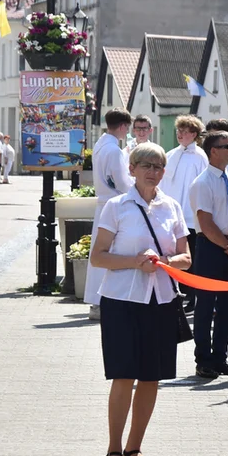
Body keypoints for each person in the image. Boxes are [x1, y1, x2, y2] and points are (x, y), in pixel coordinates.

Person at [90, 142, 191, 456]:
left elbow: (186, 258)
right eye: (145, 164)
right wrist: (135, 263)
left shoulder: (172, 207)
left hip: (160, 300)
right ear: (131, 169)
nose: (152, 171)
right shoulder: (117, 207)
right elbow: (98, 256)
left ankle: (134, 449)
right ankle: (113, 450)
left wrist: (164, 262)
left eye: (158, 165)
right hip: (121, 300)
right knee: (123, 374)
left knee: (151, 377)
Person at [189, 130, 228, 379]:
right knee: (205, 307)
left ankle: (220, 358)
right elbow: (206, 223)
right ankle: (204, 360)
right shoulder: (203, 182)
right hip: (211, 249)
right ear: (213, 151)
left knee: (227, 308)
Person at [85, 109, 134, 319]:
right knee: (109, 252)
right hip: (113, 203)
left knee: (100, 250)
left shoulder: (102, 144)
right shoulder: (113, 150)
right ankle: (100, 301)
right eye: (127, 128)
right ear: (123, 126)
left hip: (103, 202)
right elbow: (121, 182)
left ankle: (97, 301)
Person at [159, 115, 207, 311]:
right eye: (178, 131)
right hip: (173, 215)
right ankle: (178, 292)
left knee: (192, 257)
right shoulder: (171, 155)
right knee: (174, 255)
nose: (180, 134)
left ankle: (194, 296)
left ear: (194, 134)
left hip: (191, 216)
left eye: (185, 131)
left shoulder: (200, 157)